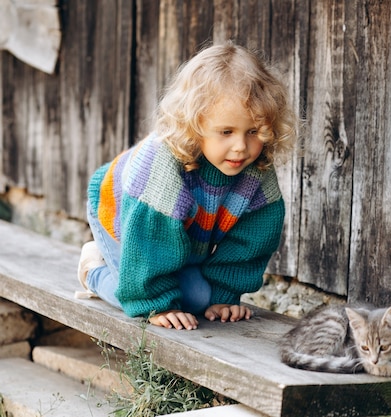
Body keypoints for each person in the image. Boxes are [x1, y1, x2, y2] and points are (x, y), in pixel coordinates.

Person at [76, 41, 297, 330]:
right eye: (226, 132)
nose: (241, 147)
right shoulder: (163, 168)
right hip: (121, 218)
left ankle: (164, 280)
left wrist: (223, 296)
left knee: (198, 299)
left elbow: (252, 240)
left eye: (253, 131)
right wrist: (156, 305)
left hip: (182, 239)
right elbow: (150, 241)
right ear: (195, 125)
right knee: (138, 298)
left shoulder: (256, 172)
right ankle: (94, 269)